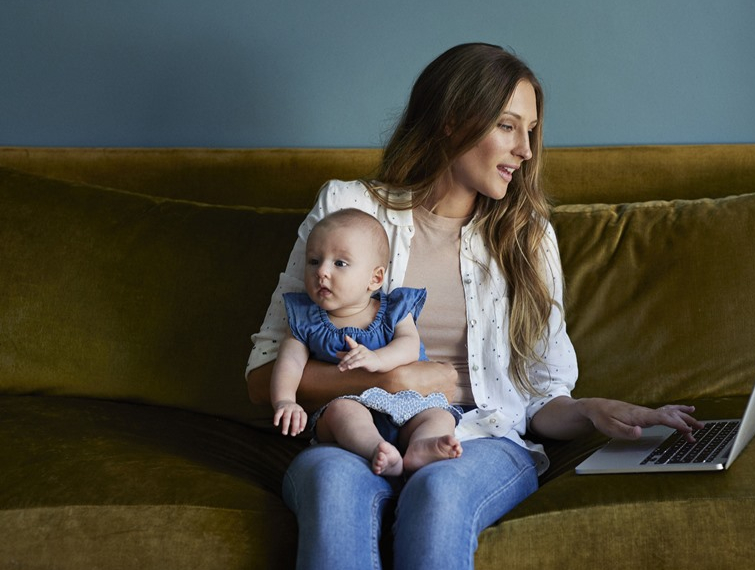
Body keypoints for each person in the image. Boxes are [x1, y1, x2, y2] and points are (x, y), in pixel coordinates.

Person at [246, 42, 703, 570]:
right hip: (354, 430)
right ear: (452, 121)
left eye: (529, 131)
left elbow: (538, 400)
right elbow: (263, 377)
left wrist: (590, 410)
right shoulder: (347, 208)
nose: (526, 150)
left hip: (479, 437)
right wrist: (395, 382)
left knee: (440, 493)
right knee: (331, 484)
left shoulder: (528, 236)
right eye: (509, 126)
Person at [270, 208, 463, 477]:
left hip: (406, 405)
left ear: (375, 278)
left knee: (439, 415)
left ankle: (421, 446)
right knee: (342, 411)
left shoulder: (393, 309)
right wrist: (285, 401)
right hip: (348, 406)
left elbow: (409, 344)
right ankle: (377, 449)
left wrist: (378, 359)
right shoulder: (306, 319)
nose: (322, 272)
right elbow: (289, 362)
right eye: (314, 261)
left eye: (340, 263)